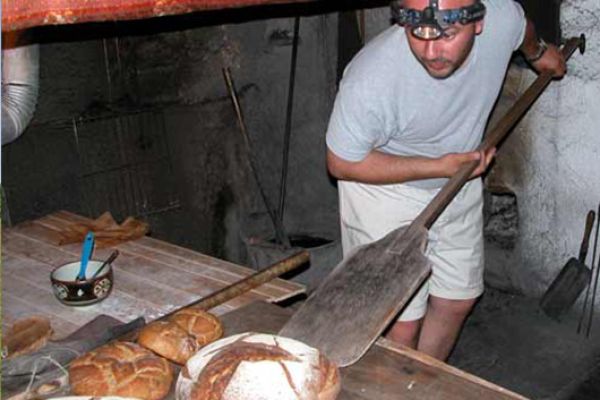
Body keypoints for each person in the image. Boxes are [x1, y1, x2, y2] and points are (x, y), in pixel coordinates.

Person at [325, 0, 566, 361]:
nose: (432, 51)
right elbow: (342, 162)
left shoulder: (503, 16)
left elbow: (523, 30)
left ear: (479, 23)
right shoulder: (370, 78)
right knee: (400, 323)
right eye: (416, 35)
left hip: (458, 177)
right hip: (382, 191)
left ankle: (422, 381)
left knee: (457, 298)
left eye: (448, 35)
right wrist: (440, 166)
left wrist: (539, 53)